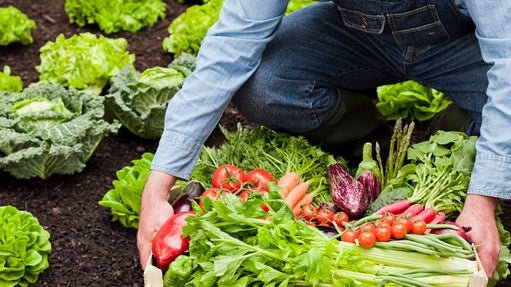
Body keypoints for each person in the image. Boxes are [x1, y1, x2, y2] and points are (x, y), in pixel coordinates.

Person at [137, 0, 509, 280]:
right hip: (359, 36)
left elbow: (507, 64)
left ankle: (459, 129)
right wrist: (157, 187)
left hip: (462, 43)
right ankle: (367, 133)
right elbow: (230, 47)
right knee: (265, 84)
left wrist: (482, 201)